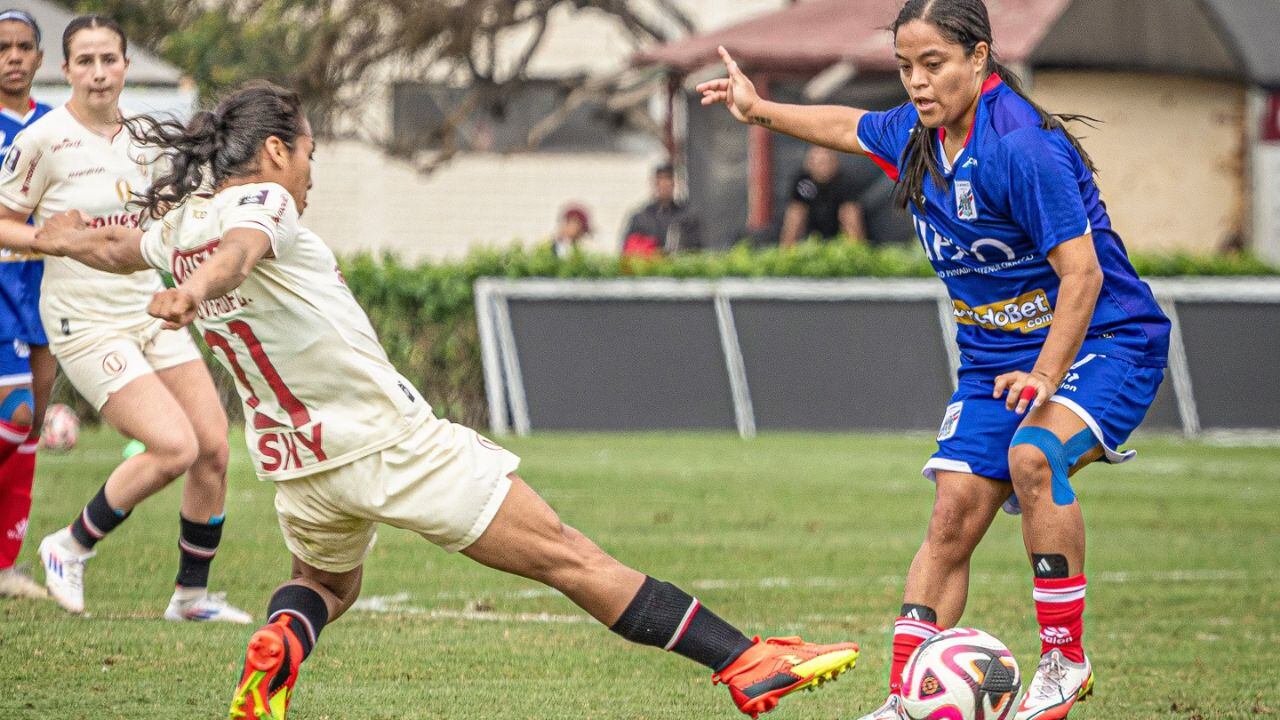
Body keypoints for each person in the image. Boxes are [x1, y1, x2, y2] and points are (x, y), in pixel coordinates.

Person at [34, 81, 860, 720]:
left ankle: (281, 640)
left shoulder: (180, 222)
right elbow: (243, 252)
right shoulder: (264, 202)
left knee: (326, 585)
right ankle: (745, 662)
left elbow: (118, 245)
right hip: (389, 444)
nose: (312, 172)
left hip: (297, 465)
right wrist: (196, 292)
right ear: (279, 150)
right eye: (311, 153)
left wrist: (60, 236)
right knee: (571, 557)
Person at [697, 0, 1171, 718]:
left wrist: (1045, 375)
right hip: (994, 361)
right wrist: (758, 108)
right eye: (904, 67)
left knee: (1034, 456)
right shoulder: (918, 133)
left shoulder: (1021, 146)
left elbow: (1084, 276)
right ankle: (901, 698)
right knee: (951, 512)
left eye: (933, 65)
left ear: (979, 58)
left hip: (1105, 341)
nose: (916, 83)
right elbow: (844, 128)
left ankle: (1064, 663)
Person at [0, 14, 248, 623]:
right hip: (83, 322)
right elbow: (4, 223)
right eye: (84, 61)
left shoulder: (145, 136)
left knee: (213, 448)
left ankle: (191, 597)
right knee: (173, 446)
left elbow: (166, 220)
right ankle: (69, 546)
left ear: (126, 67)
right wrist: (49, 241)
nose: (98, 72)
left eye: (109, 59)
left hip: (148, 311)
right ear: (66, 71)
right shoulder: (42, 139)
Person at [0, 8, 51, 601]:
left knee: (33, 420)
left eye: (23, 47)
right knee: (12, 413)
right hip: (0, 288)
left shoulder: (55, 124)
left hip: (45, 287)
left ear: (40, 58)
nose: (13, 56)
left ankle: (6, 562)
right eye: (3, 47)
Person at [779, 145, 865, 246]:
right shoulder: (803, 181)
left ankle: (857, 251)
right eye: (818, 163)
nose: (822, 167)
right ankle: (787, 254)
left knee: (850, 212)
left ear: (834, 163)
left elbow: (851, 213)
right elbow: (795, 211)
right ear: (809, 164)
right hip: (810, 231)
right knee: (795, 213)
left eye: (826, 162)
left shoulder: (844, 181)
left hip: (836, 229)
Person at [621, 163, 701, 255]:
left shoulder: (686, 217)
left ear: (674, 184)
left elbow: (696, 251)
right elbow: (628, 251)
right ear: (654, 184)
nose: (664, 185)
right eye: (660, 180)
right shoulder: (641, 218)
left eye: (667, 180)